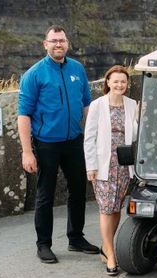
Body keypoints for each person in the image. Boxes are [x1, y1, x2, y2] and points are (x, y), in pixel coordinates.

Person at [18, 25, 98, 264]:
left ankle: (76, 238)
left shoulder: (77, 69)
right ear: (45, 44)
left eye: (61, 41)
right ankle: (43, 244)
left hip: (74, 141)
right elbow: (23, 115)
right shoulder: (34, 74)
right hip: (46, 144)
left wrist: (94, 137)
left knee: (78, 191)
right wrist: (27, 152)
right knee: (45, 195)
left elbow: (87, 106)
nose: (58, 45)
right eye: (53, 41)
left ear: (67, 43)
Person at [83, 65, 138, 276]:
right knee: (106, 208)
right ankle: (111, 255)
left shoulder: (132, 104)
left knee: (116, 208)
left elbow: (133, 135)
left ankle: (107, 247)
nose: (119, 85)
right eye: (115, 81)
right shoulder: (97, 105)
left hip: (124, 164)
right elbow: (89, 138)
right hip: (103, 164)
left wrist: (140, 116)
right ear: (107, 82)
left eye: (123, 81)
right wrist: (91, 166)